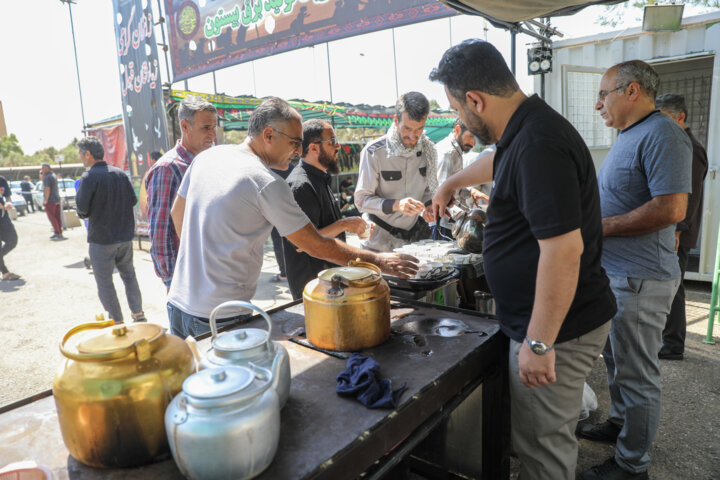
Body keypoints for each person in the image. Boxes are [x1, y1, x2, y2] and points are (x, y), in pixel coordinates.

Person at [429, 39, 616, 480]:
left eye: (458, 111)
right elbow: (497, 161)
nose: (461, 121)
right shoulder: (524, 129)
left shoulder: (538, 143)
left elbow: (563, 250)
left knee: (543, 448)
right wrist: (449, 183)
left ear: (476, 99)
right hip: (552, 322)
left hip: (558, 328)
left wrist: (538, 343)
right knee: (538, 437)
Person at [167, 97, 417, 339]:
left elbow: (177, 214)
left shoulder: (207, 157)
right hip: (219, 316)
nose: (298, 152)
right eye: (295, 142)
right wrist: (380, 261)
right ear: (268, 135)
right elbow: (315, 245)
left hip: (177, 303)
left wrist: (198, 263)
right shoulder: (266, 182)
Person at [576, 61, 692, 480]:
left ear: (632, 91)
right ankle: (621, 424)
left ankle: (632, 465)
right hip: (618, 275)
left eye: (603, 94)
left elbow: (671, 208)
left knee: (638, 372)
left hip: (642, 279)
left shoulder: (664, 134)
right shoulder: (630, 135)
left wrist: (599, 227)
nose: (597, 105)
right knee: (615, 360)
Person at [282, 119, 368, 299]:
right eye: (332, 142)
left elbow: (326, 228)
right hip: (313, 288)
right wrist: (345, 224)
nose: (338, 147)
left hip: (329, 283)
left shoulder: (319, 178)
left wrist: (353, 227)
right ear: (313, 148)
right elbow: (301, 244)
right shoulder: (301, 185)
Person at [655, 93, 709, 361]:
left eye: (663, 116)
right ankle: (667, 339)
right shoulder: (676, 144)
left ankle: (673, 345)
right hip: (673, 229)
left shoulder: (691, 147)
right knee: (669, 287)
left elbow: (691, 195)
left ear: (680, 117)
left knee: (674, 289)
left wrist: (677, 229)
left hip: (679, 233)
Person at [145, 95, 218, 291]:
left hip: (211, 271)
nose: (212, 134)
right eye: (206, 128)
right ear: (185, 126)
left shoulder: (206, 162)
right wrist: (172, 281)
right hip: (186, 279)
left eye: (214, 127)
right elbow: (160, 231)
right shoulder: (168, 168)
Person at [75, 136, 146, 324]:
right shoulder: (120, 174)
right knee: (129, 275)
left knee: (105, 282)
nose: (80, 158)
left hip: (102, 240)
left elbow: (82, 209)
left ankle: (117, 321)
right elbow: (132, 200)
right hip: (125, 238)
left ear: (88, 154)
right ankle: (138, 314)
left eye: (81, 154)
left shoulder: (88, 177)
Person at [355, 91, 437, 252]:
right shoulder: (373, 152)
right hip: (377, 242)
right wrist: (397, 205)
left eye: (419, 129)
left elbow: (428, 190)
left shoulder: (428, 151)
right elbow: (361, 201)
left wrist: (428, 205)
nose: (413, 137)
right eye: (407, 129)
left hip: (413, 242)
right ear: (396, 120)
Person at [433, 118, 486, 240]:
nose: (473, 144)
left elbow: (452, 188)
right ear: (457, 130)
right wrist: (465, 217)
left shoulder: (456, 150)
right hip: (444, 224)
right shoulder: (448, 152)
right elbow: (440, 193)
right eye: (471, 137)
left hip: (452, 224)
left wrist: (470, 192)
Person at [269, 160, 296, 283]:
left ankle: (284, 273)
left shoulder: (268, 166)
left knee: (278, 241)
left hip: (275, 209)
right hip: (291, 208)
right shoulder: (290, 166)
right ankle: (290, 271)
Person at [0, 175, 20, 281]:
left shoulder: (2, 180)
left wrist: (8, 202)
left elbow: (7, 196)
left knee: (13, 240)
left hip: (3, 216)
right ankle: (5, 272)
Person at [41, 163, 63, 240]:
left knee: (52, 217)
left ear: (48, 168)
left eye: (43, 168)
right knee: (57, 217)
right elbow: (57, 187)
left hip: (50, 200)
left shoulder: (47, 177)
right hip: (56, 199)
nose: (42, 169)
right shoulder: (54, 176)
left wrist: (46, 200)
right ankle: (60, 231)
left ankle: (57, 232)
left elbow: (47, 189)